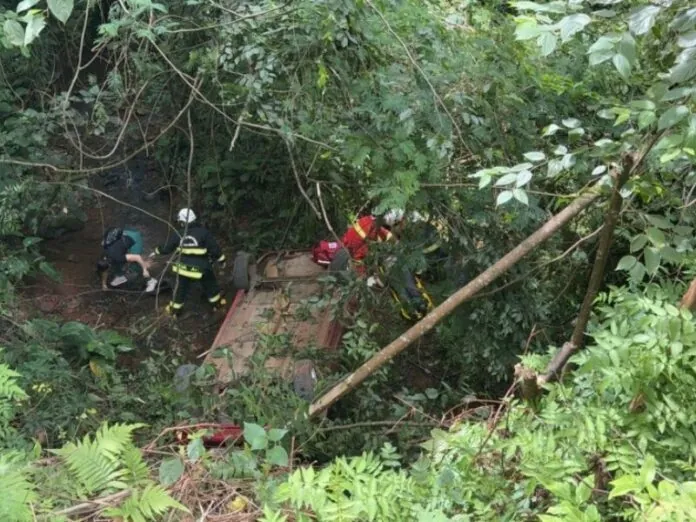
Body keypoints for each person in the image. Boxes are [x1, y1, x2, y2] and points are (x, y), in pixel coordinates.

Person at [151, 208, 227, 316]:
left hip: (183, 269)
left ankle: (174, 311)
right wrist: (222, 260)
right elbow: (215, 249)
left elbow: (166, 248)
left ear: (182, 222)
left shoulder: (178, 234)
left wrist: (156, 251)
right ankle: (217, 305)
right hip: (201, 269)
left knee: (180, 290)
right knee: (210, 286)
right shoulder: (203, 233)